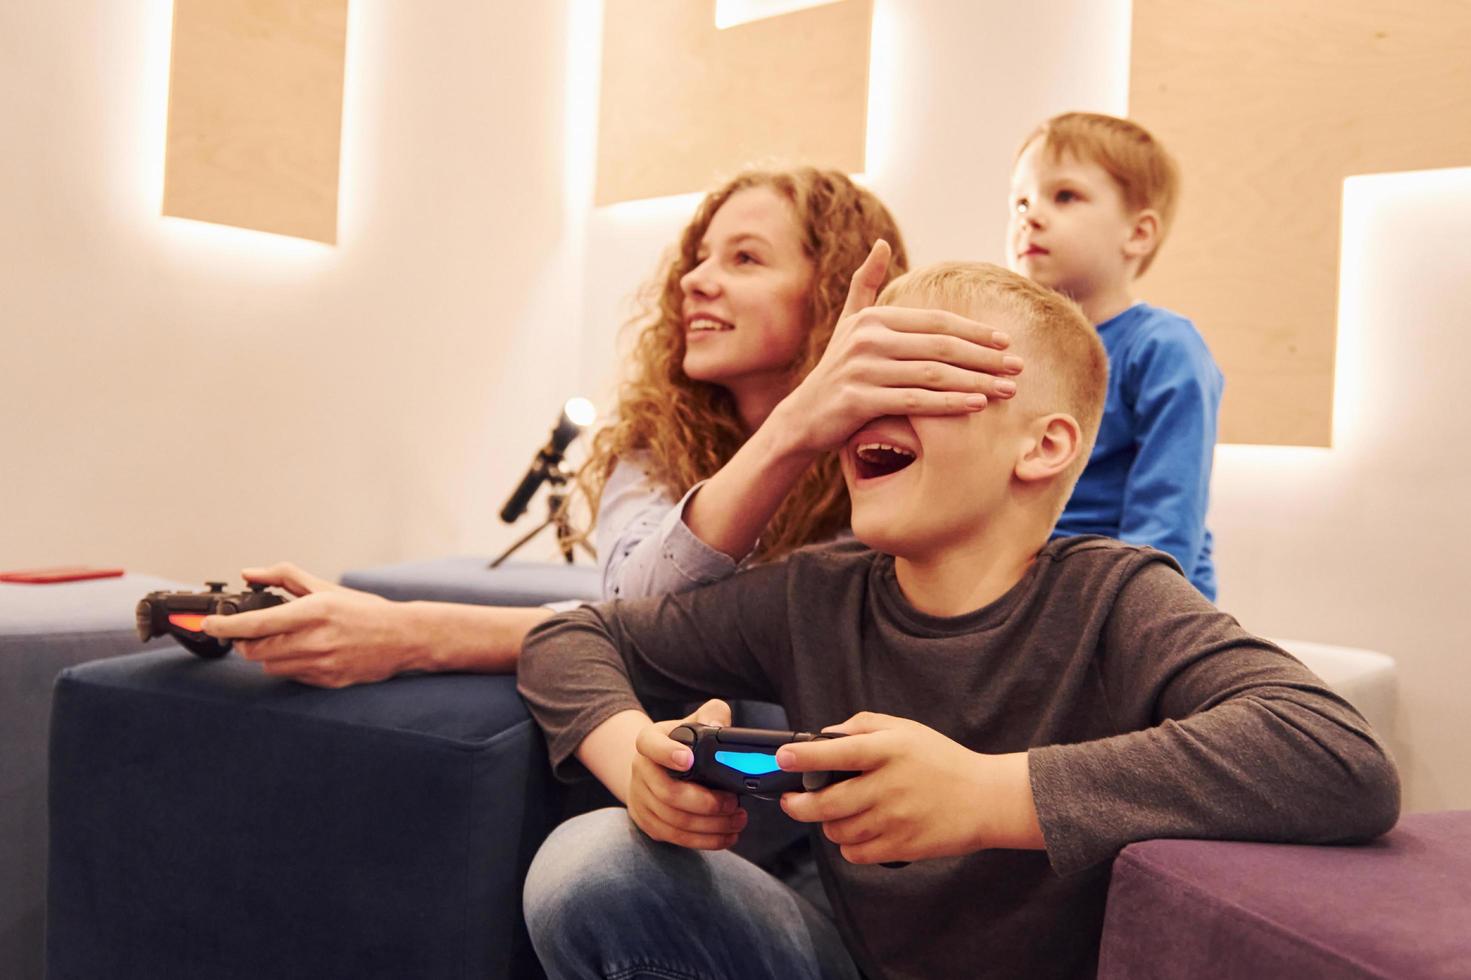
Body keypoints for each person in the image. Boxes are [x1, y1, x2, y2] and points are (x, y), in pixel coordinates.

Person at [516, 262, 1399, 980]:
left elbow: (1334, 754)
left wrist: (989, 795)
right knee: (591, 864)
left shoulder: (1115, 598)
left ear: (1042, 444)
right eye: (865, 382)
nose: (870, 408)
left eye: (923, 378)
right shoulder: (813, 594)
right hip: (843, 958)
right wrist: (632, 757)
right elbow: (571, 635)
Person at [200, 168, 1023, 686]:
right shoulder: (649, 442)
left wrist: (411, 629)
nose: (695, 282)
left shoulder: (895, 445)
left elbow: (801, 637)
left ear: (832, 287)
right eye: (697, 258)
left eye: (743, 258)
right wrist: (793, 432)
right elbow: (641, 605)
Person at [1008, 111, 1225, 599]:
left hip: (1135, 600)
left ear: (1138, 234)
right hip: (1024, 592)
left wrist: (1127, 613)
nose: (1031, 216)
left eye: (1064, 195)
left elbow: (1168, 518)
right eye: (1020, 202)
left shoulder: (1163, 348)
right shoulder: (1010, 348)